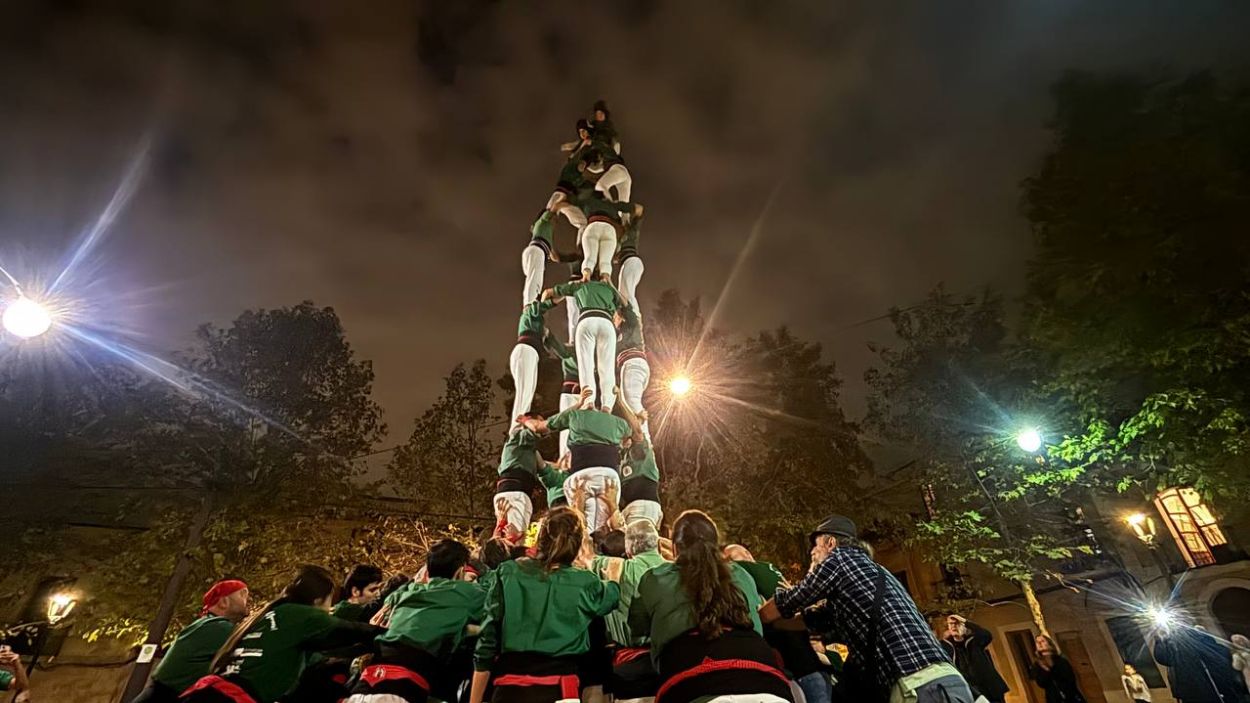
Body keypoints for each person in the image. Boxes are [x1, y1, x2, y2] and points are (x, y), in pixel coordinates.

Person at [760, 515, 971, 703]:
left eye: (815, 546)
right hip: (948, 680)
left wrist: (754, 616)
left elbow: (787, 603)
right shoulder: (874, 573)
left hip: (919, 687)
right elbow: (811, 619)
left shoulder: (840, 559)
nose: (812, 553)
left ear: (830, 542)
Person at [628, 510, 793, 703]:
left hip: (694, 682)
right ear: (716, 546)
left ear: (674, 548)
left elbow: (636, 627)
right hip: (768, 682)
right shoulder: (741, 575)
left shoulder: (656, 578)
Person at [470, 507, 621, 703]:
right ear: (577, 544)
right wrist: (611, 577)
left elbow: (486, 643)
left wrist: (474, 699)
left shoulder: (507, 572)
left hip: (509, 689)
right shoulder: (587, 582)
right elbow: (610, 597)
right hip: (561, 690)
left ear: (539, 539)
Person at [183, 565, 382, 703]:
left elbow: (320, 655)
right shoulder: (301, 615)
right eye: (329, 601)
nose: (330, 609)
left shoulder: (267, 614)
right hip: (231, 699)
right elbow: (352, 631)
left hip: (205, 692)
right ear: (317, 600)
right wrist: (390, 635)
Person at [347, 539, 485, 703]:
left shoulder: (407, 591)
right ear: (459, 572)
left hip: (365, 684)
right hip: (401, 690)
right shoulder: (468, 593)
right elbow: (503, 605)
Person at [524, 390, 642, 532]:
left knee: (581, 529)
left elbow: (538, 427)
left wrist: (524, 420)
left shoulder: (575, 415)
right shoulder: (618, 422)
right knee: (605, 529)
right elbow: (638, 434)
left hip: (581, 477)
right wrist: (621, 400)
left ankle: (583, 548)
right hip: (608, 476)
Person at [724, 544, 830, 703]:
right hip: (810, 670)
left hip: (802, 672)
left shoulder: (751, 575)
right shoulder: (775, 586)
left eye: (730, 559)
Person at [130, 580, 251, 703]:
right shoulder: (218, 627)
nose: (247, 601)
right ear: (224, 602)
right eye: (242, 595)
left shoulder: (201, 625)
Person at [543, 278, 625, 412]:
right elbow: (621, 309)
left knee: (586, 366)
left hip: (586, 320)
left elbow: (548, 292)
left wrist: (540, 308)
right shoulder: (609, 288)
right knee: (606, 367)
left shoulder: (580, 285)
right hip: (606, 323)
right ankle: (607, 406)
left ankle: (589, 403)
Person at [1153, 625, 1246, 703]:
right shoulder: (1178, 651)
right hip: (1203, 690)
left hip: (1212, 690)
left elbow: (1163, 657)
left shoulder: (1197, 646)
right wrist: (1160, 639)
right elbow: (1163, 658)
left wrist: (1160, 640)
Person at [493, 420, 546, 544]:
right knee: (517, 539)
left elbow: (545, 466)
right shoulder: (518, 436)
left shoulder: (526, 452)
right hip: (515, 493)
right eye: (538, 420)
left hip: (508, 492)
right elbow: (533, 430)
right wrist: (526, 421)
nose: (542, 424)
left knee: (503, 539)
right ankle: (513, 561)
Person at [509, 299, 557, 430]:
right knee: (524, 393)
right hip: (526, 350)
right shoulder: (530, 312)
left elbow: (559, 350)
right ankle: (517, 429)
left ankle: (520, 426)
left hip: (530, 353)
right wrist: (563, 293)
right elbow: (541, 306)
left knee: (527, 393)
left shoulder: (539, 326)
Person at [941, 614, 1009, 703]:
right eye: (951, 624)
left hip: (990, 689)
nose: (954, 626)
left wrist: (965, 621)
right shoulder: (945, 646)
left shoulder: (974, 641)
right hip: (970, 692)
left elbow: (987, 635)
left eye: (957, 623)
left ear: (964, 626)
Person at [578, 194, 641, 283]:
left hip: (593, 226)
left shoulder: (588, 201)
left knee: (589, 257)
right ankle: (605, 280)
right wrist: (631, 224)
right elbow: (639, 208)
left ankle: (585, 277)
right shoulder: (614, 205)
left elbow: (568, 201)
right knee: (605, 262)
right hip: (609, 229)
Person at [543, 328, 580, 459]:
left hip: (580, 391)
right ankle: (565, 458)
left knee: (575, 426)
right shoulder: (573, 349)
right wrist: (549, 336)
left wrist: (549, 337)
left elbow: (559, 349)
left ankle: (573, 457)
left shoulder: (589, 349)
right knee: (566, 425)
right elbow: (561, 351)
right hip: (572, 391)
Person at [615, 303, 650, 437]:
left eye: (615, 316)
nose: (613, 320)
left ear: (620, 316)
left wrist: (610, 286)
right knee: (629, 406)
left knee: (632, 404)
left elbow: (627, 307)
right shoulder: (616, 336)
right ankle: (641, 442)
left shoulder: (630, 324)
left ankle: (645, 443)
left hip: (633, 363)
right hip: (633, 366)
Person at [619, 431, 661, 527]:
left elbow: (638, 432)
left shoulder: (641, 448)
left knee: (638, 539)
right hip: (629, 507)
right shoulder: (623, 454)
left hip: (642, 505)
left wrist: (630, 416)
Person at [1029, 635, 1086, 703]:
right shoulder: (1037, 664)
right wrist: (1046, 669)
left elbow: (1070, 679)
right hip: (1053, 698)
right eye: (1037, 642)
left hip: (1070, 696)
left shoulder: (1060, 660)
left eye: (1042, 641)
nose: (1040, 644)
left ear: (1049, 644)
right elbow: (1041, 683)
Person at [521, 211, 555, 305]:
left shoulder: (546, 235)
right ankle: (529, 304)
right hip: (537, 250)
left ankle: (531, 301)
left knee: (533, 280)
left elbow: (554, 256)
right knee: (534, 279)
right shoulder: (543, 222)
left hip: (534, 250)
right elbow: (552, 208)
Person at [615, 211, 645, 315]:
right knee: (622, 294)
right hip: (630, 263)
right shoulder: (619, 240)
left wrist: (637, 213)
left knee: (627, 293)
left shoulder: (630, 233)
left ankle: (635, 316)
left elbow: (638, 221)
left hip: (632, 261)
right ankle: (628, 317)